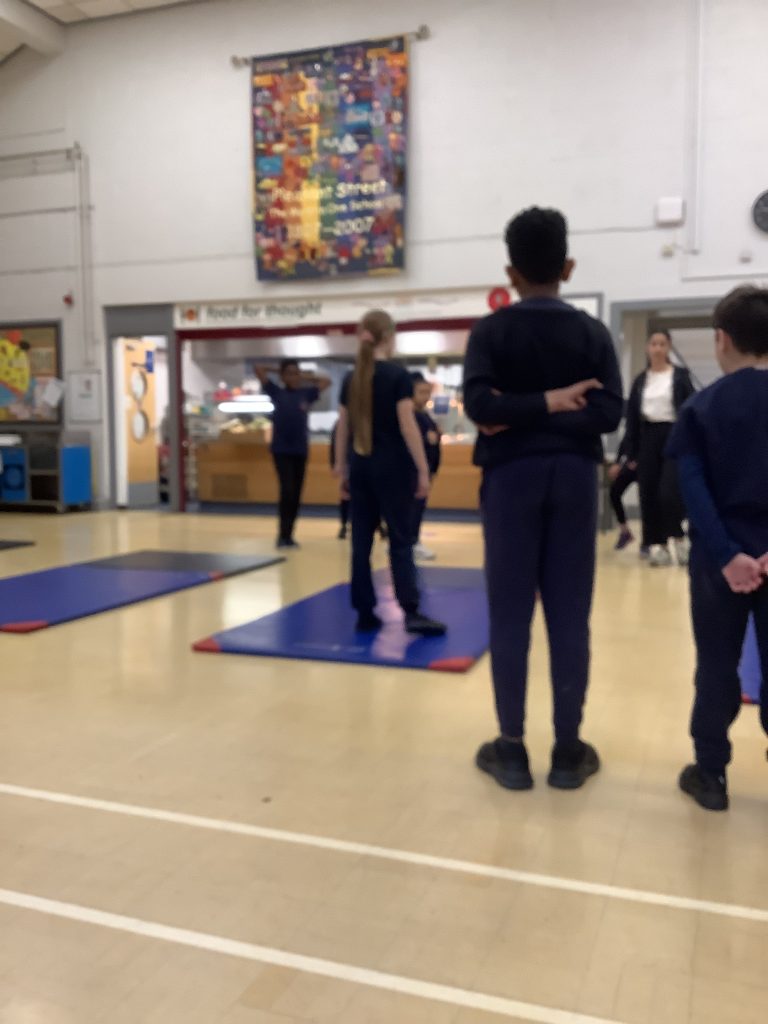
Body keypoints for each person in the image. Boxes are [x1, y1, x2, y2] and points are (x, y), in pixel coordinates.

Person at [462, 206, 623, 791]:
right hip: (575, 478)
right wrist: (557, 402)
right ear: (568, 267)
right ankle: (567, 750)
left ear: (510, 273)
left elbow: (481, 405)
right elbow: (608, 412)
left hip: (510, 478)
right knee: (569, 614)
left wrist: (523, 411)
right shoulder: (592, 333)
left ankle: (511, 750)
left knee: (509, 613)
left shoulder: (490, 332)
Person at [666, 285, 768, 811]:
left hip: (716, 563)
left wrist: (728, 554)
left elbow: (694, 489)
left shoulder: (700, 407)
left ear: (721, 339)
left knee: (716, 666)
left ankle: (710, 775)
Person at [334, 310, 446, 637]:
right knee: (400, 540)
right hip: (393, 468)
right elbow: (408, 426)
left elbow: (343, 427)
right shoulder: (397, 376)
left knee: (360, 542)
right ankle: (410, 610)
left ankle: (364, 611)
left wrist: (341, 467)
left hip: (360, 466)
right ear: (389, 337)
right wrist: (423, 469)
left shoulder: (351, 378)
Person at [622, 330, 695, 566]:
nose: (658, 348)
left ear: (668, 347)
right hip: (648, 437)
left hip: (674, 435)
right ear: (648, 348)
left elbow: (690, 408)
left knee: (668, 492)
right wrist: (631, 452)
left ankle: (679, 538)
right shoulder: (641, 380)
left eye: (662, 344)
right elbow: (632, 418)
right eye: (654, 344)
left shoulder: (680, 376)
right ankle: (658, 545)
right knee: (649, 492)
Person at [255, 360, 330, 548]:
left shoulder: (306, 394)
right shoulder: (276, 391)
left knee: (296, 493)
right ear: (282, 376)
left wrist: (301, 376)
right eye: (288, 374)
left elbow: (326, 381)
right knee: (287, 490)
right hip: (281, 450)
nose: (293, 377)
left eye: (295, 373)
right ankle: (282, 534)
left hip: (300, 450)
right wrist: (279, 370)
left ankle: (290, 535)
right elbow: (259, 368)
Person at [410, 372, 442, 561]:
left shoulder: (424, 416)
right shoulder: (409, 417)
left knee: (418, 507)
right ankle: (411, 541)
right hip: (414, 471)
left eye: (427, 392)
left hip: (428, 468)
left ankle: (411, 540)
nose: (426, 396)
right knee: (413, 507)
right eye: (421, 392)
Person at [606, 435, 640, 551]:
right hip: (630, 463)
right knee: (614, 493)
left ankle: (649, 541)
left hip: (647, 460)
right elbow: (627, 439)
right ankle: (625, 531)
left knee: (647, 498)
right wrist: (618, 462)